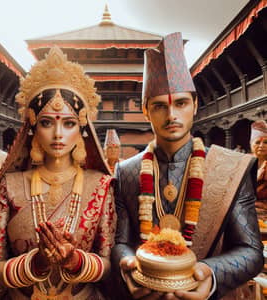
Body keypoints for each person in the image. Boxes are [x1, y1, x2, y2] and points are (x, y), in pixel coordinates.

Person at [112, 32, 263, 300]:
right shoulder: (127, 172)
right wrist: (128, 266)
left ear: (195, 105)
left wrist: (207, 271)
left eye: (181, 103)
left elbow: (251, 252)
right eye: (159, 107)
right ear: (146, 111)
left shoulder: (231, 168)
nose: (171, 115)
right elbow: (121, 242)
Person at [0, 46, 116, 299]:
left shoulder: (101, 185)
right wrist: (33, 265)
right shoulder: (9, 186)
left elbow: (107, 264)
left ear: (81, 128)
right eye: (47, 122)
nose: (58, 134)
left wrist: (75, 261)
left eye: (68, 123)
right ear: (33, 127)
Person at [250, 120, 267, 220]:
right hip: (245, 211)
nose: (261, 146)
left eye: (266, 142)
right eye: (257, 142)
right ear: (251, 144)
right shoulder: (244, 162)